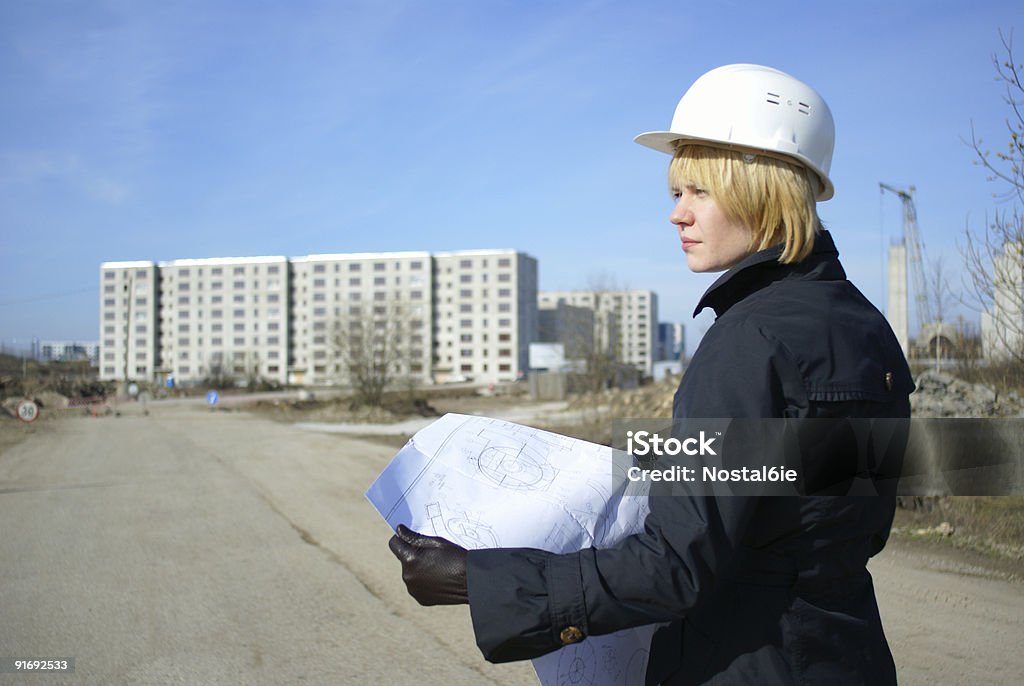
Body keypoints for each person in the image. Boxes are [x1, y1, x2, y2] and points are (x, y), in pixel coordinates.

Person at [389, 64, 913, 685]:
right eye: (675, 194)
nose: (677, 216)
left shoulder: (749, 339)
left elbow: (677, 564)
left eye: (699, 193)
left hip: (746, 663)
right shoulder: (866, 326)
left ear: (760, 189)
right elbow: (828, 508)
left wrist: (483, 581)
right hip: (846, 655)